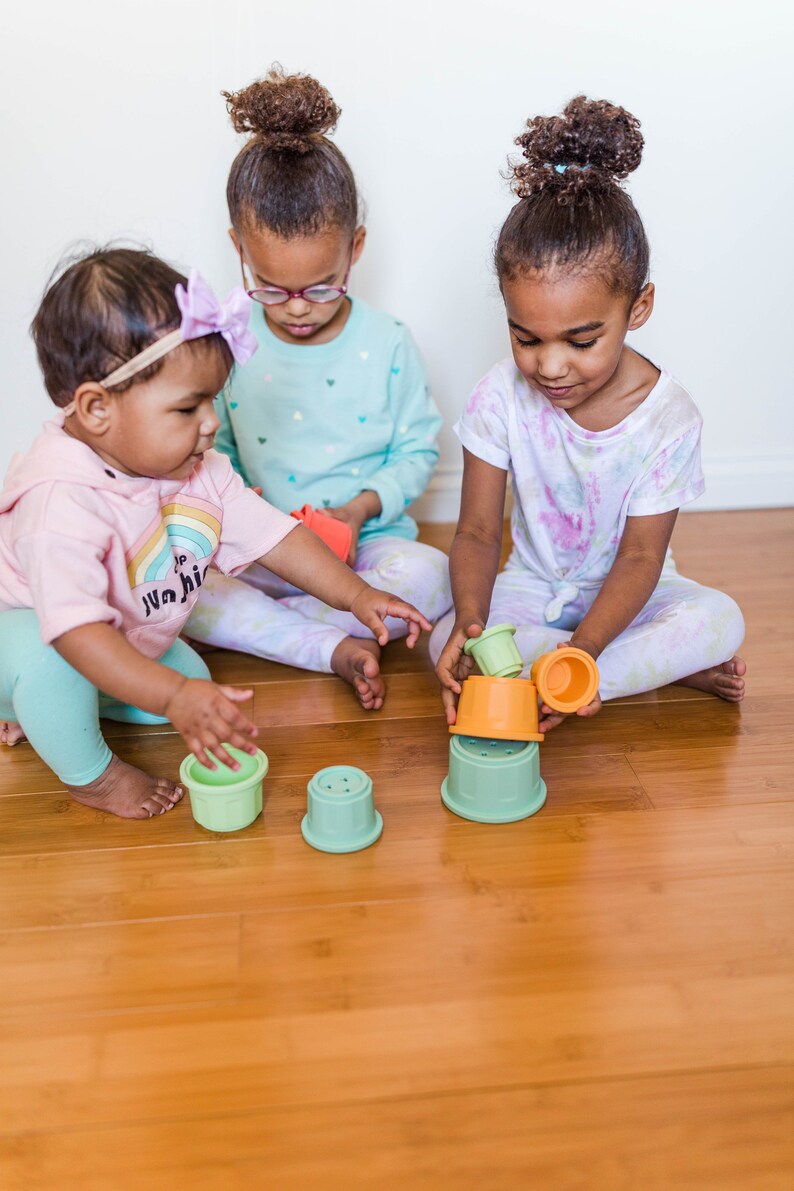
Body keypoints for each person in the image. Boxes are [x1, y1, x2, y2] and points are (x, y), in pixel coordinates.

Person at [0, 247, 432, 818]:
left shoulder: (196, 467)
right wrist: (174, 697)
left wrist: (358, 594)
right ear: (97, 408)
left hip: (128, 634)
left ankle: (75, 702)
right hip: (44, 641)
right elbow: (77, 633)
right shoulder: (61, 503)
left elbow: (277, 537)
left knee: (196, 680)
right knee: (60, 670)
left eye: (213, 400)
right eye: (187, 409)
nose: (211, 423)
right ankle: (91, 774)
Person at [432, 96, 745, 732]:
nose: (550, 367)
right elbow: (477, 534)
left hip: (635, 594)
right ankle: (620, 673)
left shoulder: (668, 418)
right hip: (530, 586)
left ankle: (578, 671)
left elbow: (638, 561)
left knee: (719, 621)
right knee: (440, 627)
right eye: (526, 338)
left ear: (639, 307)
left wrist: (589, 648)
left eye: (580, 342)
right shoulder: (498, 397)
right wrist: (469, 628)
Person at [185, 66, 452, 711]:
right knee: (179, 589)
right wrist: (245, 503)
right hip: (263, 547)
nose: (298, 308)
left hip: (367, 546)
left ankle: (292, 634)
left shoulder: (386, 340)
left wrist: (359, 511)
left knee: (431, 577)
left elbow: (418, 451)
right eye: (271, 288)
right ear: (239, 250)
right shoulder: (226, 339)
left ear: (355, 248)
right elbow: (215, 445)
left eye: (323, 286)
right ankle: (328, 633)